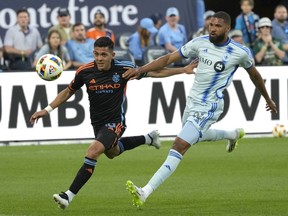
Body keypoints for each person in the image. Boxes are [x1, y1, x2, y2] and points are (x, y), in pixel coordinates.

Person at [123, 11, 277, 208]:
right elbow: (169, 58)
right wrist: (141, 69)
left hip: (210, 107)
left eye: (218, 26)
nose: (213, 28)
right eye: (211, 25)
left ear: (227, 29)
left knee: (179, 145)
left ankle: (145, 191)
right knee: (197, 135)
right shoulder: (199, 42)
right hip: (192, 103)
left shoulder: (240, 52)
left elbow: (254, 76)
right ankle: (233, 134)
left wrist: (268, 98)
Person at [29, 36, 198, 210]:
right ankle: (148, 138)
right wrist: (46, 110)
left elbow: (156, 72)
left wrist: (182, 70)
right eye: (96, 54)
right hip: (97, 123)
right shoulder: (84, 71)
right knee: (112, 152)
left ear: (112, 55)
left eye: (103, 54)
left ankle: (68, 196)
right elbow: (67, 92)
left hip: (115, 122)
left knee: (93, 151)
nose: (99, 58)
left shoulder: (124, 68)